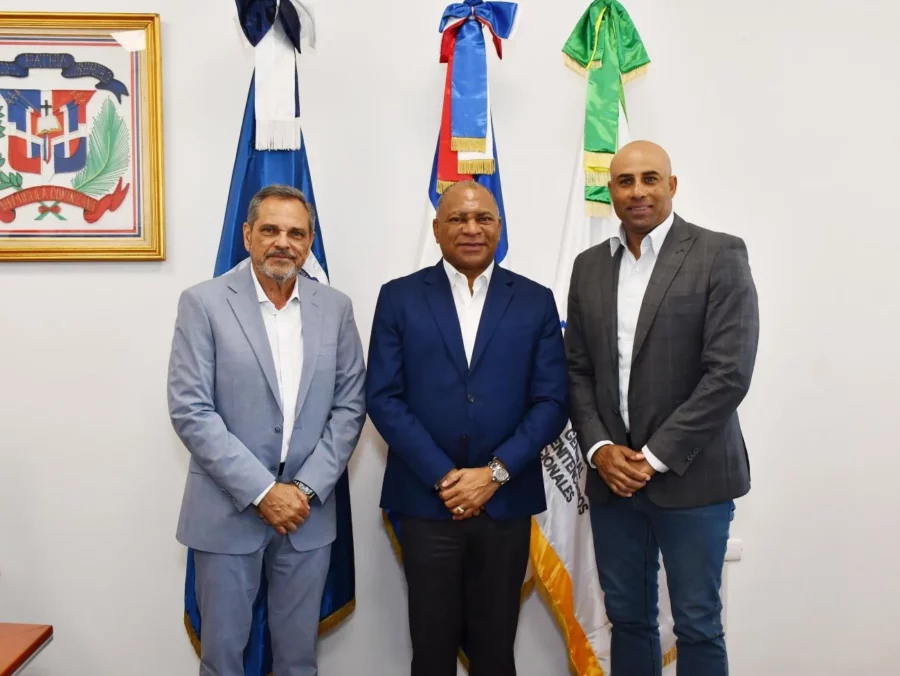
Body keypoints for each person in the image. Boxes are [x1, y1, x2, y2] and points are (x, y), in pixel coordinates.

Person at [565, 141, 760, 676]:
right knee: (627, 619)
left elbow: (728, 373)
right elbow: (577, 369)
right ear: (611, 192)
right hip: (612, 482)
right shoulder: (588, 267)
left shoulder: (718, 254)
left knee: (697, 622)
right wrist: (602, 450)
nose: (638, 191)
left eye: (651, 179)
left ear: (672, 185)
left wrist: (650, 458)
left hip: (693, 477)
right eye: (625, 181)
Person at [366, 181, 568, 676]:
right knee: (431, 651)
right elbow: (383, 398)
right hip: (426, 503)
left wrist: (493, 475)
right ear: (437, 229)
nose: (472, 229)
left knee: (496, 651)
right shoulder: (398, 298)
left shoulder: (536, 301)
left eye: (484, 219)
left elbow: (552, 401)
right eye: (458, 219)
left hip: (506, 504)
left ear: (499, 228)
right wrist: (445, 478)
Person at [167, 184, 366, 676]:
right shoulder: (204, 303)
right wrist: (261, 491)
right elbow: (191, 408)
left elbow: (349, 407)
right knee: (223, 660)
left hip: (307, 514)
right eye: (271, 229)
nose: (283, 242)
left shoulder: (336, 308)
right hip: (226, 510)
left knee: (299, 660)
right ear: (248, 234)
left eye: (296, 233)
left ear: (309, 241)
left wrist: (300, 489)